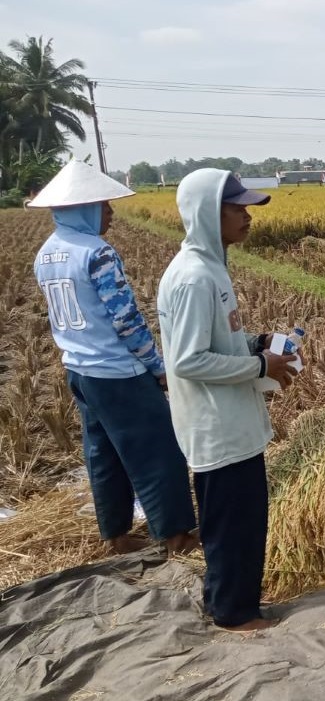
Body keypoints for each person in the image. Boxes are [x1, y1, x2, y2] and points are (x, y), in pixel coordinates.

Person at [30, 161, 198, 556]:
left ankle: (117, 535)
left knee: (102, 453)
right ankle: (177, 535)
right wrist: (158, 368)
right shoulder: (97, 252)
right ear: (82, 207)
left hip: (79, 369)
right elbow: (125, 319)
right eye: (104, 206)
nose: (111, 212)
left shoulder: (46, 253)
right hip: (117, 372)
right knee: (158, 450)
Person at [157, 169, 298, 632]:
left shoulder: (212, 267)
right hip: (216, 427)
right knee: (230, 525)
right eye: (236, 208)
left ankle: (234, 599)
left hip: (234, 422)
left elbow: (218, 341)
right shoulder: (195, 278)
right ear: (205, 213)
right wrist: (261, 367)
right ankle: (233, 614)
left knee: (242, 520)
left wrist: (258, 343)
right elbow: (188, 361)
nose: (246, 216)